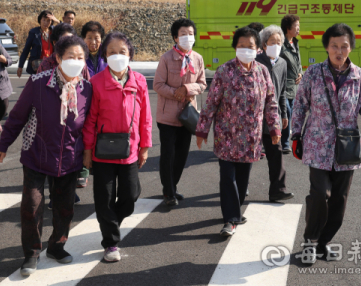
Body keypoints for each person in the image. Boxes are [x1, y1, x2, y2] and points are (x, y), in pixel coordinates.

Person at [0, 35, 93, 277]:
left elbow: (91, 125)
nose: (75, 61)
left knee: (64, 208)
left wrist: (89, 158)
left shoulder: (87, 88)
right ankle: (31, 253)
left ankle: (57, 246)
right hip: (36, 154)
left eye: (80, 57)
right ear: (58, 58)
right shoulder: (39, 82)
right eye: (70, 56)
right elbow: (17, 116)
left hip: (70, 158)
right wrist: (4, 143)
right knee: (31, 206)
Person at [291, 23, 361, 264]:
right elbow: (300, 105)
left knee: (339, 201)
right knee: (320, 194)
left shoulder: (360, 76)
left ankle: (324, 242)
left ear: (350, 48)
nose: (339, 51)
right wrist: (296, 135)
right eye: (334, 46)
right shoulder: (313, 73)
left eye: (344, 46)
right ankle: (310, 240)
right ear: (327, 47)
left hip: (347, 148)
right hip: (317, 145)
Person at [196, 26, 281, 238]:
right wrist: (202, 129)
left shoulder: (262, 72)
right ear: (235, 47)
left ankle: (235, 209)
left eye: (250, 46)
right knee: (227, 177)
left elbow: (271, 102)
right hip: (226, 137)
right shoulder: (224, 71)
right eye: (241, 46)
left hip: (251, 138)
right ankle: (231, 218)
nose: (245, 50)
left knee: (242, 181)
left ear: (258, 48)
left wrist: (274, 127)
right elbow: (211, 103)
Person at [82, 31, 152, 263]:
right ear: (104, 55)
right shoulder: (96, 82)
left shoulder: (139, 81)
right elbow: (90, 118)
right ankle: (111, 243)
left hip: (130, 150)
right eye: (111, 52)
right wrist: (88, 150)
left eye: (122, 52)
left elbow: (145, 117)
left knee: (130, 196)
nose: (117, 56)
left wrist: (145, 145)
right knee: (104, 200)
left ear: (130, 54)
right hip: (103, 152)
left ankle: (109, 222)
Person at [153, 18, 206, 207]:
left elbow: (202, 84)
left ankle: (172, 187)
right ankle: (168, 192)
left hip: (188, 116)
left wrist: (188, 89)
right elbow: (157, 84)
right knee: (168, 155)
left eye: (190, 34)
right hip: (167, 116)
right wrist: (176, 93)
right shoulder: (166, 58)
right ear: (175, 37)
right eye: (183, 34)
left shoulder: (198, 58)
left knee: (182, 155)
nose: (187, 37)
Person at [37, 22, 88, 197]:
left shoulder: (81, 64)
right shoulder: (46, 64)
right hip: (53, 120)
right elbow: (39, 91)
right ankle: (54, 195)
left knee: (72, 155)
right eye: (63, 41)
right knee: (54, 158)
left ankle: (69, 192)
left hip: (74, 119)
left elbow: (87, 88)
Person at [257, 25, 294, 201]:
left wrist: (284, 114)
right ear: (264, 44)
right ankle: (239, 187)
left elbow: (283, 91)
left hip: (274, 117)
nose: (277, 45)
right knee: (249, 154)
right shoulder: (256, 61)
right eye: (273, 42)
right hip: (254, 118)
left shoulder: (283, 63)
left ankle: (278, 189)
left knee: (276, 153)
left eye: (279, 42)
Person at [280, 13, 302, 153]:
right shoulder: (280, 44)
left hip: (294, 86)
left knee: (292, 113)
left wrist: (300, 73)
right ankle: (284, 142)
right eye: (296, 26)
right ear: (288, 28)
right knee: (286, 111)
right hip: (284, 85)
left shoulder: (295, 43)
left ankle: (286, 139)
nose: (299, 29)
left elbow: (298, 62)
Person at [17, 10, 59, 77]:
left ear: (51, 22)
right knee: (38, 86)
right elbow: (26, 50)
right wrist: (20, 66)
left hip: (52, 65)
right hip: (38, 66)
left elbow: (67, 30)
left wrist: (57, 21)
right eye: (44, 20)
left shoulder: (54, 31)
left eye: (48, 20)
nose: (46, 22)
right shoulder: (33, 32)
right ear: (40, 20)